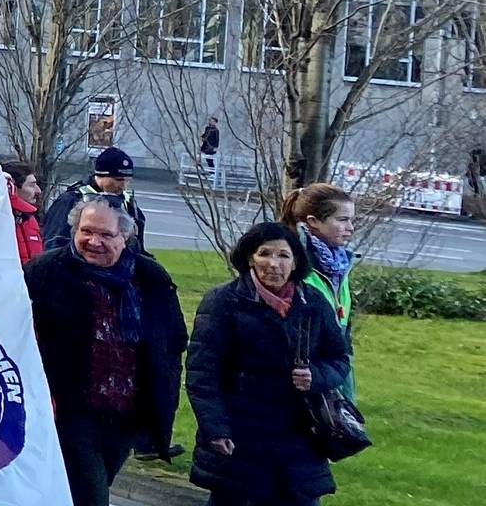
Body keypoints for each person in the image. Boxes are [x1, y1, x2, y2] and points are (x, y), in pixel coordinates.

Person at [25, 197, 185, 506]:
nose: (93, 242)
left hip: (125, 415)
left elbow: (172, 340)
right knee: (90, 496)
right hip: (70, 414)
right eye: (86, 231)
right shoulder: (45, 272)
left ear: (125, 236)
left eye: (105, 235)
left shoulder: (150, 277)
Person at [185, 221, 351, 506]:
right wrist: (216, 429)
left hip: (300, 439)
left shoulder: (313, 303)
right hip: (242, 438)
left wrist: (316, 376)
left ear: (296, 261)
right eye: (265, 253)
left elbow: (339, 357)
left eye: (283, 255)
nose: (273, 264)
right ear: (250, 257)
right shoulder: (224, 302)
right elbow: (203, 374)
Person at [282, 183, 358, 381]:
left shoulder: (339, 264)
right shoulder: (291, 262)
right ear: (313, 221)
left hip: (331, 367)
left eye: (351, 220)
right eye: (342, 220)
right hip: (300, 374)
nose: (350, 228)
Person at [45, 147, 150, 260]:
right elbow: (53, 244)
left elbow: (138, 247)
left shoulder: (128, 203)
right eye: (118, 180)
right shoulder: (71, 200)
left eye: (127, 180)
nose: (123, 186)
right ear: (101, 175)